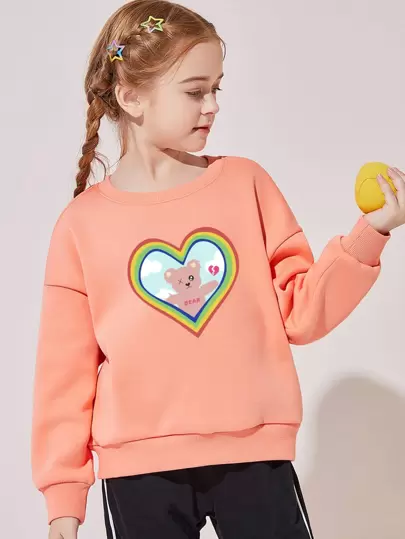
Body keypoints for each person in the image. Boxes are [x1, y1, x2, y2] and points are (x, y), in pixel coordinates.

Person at [30, 1, 405, 538]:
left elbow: (301, 313)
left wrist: (372, 232)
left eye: (216, 89)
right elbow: (63, 376)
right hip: (137, 470)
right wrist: (64, 501)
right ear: (130, 95)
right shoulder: (81, 224)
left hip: (254, 454)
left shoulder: (245, 184)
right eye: (194, 91)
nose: (212, 106)